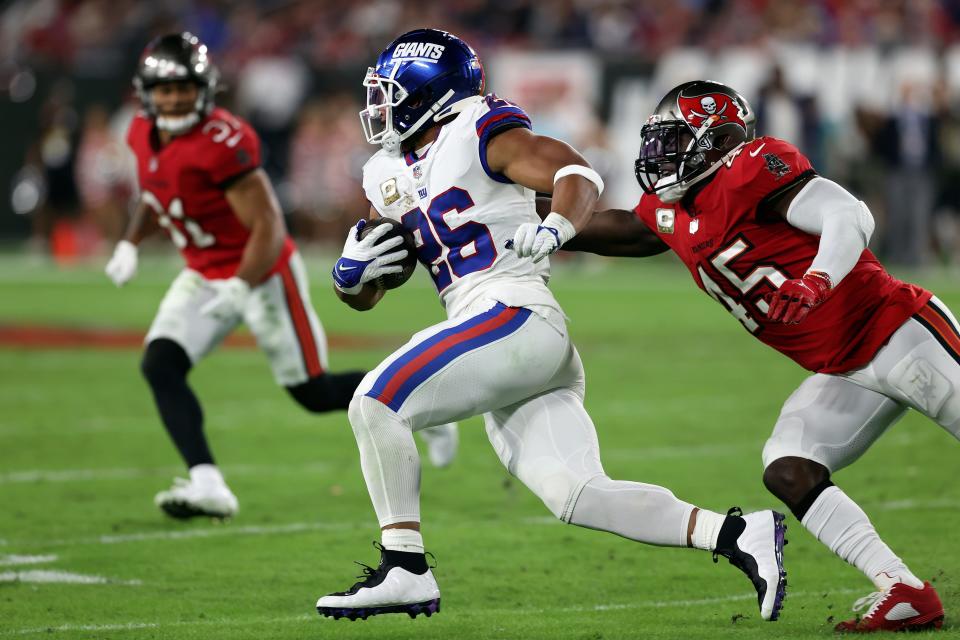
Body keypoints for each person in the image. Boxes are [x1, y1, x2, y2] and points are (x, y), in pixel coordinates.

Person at [315, 29, 786, 623]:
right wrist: (350, 277)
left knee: (376, 402)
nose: (379, 105)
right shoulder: (384, 172)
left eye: (392, 90)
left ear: (429, 92)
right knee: (576, 493)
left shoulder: (477, 129)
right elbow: (375, 287)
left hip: (513, 315)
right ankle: (736, 535)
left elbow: (577, 175)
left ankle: (404, 567)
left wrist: (557, 228)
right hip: (499, 337)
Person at [547, 80, 950, 632]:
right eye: (658, 141)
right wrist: (531, 216)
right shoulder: (671, 209)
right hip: (842, 368)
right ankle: (902, 589)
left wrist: (816, 279)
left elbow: (849, 215)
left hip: (898, 331)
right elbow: (627, 230)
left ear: (718, 141)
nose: (660, 153)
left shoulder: (752, 169)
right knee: (789, 468)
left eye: (675, 140)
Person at [104, 33, 457, 520]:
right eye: (165, 90)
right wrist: (129, 242)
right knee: (160, 364)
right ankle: (208, 483)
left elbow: (269, 224)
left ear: (204, 87)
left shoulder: (223, 140)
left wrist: (240, 284)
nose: (175, 98)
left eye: (184, 87)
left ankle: (413, 402)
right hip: (205, 272)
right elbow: (154, 192)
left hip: (262, 270)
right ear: (147, 93)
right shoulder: (142, 133)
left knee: (311, 393)